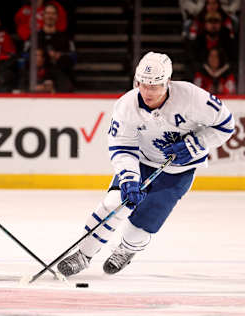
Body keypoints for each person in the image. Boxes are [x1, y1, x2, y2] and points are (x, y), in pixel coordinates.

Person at [57, 52, 235, 276]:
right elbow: (122, 146)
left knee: (143, 223)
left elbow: (226, 125)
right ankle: (82, 254)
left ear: (167, 83)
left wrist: (195, 143)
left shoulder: (191, 97)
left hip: (177, 171)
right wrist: (130, 178)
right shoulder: (126, 106)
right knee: (114, 203)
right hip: (140, 161)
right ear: (136, 81)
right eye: (143, 85)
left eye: (155, 86)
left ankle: (126, 249)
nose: (148, 92)